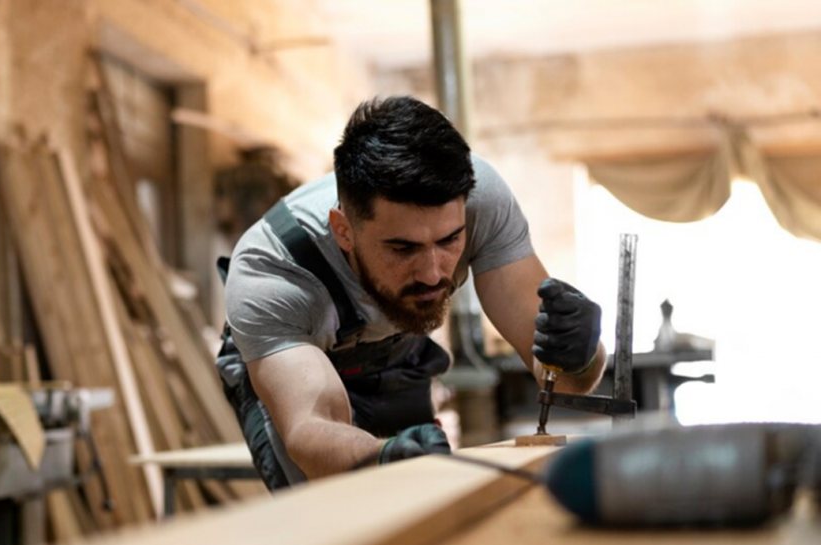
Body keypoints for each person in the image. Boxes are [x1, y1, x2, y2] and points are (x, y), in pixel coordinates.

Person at [216, 96, 605, 490]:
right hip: (291, 360)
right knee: (330, 513)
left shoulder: (481, 201)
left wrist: (579, 357)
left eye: (450, 240)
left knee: (428, 500)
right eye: (403, 249)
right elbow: (311, 431)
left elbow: (564, 383)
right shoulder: (273, 274)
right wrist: (379, 459)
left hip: (397, 346)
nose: (434, 274)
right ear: (343, 231)